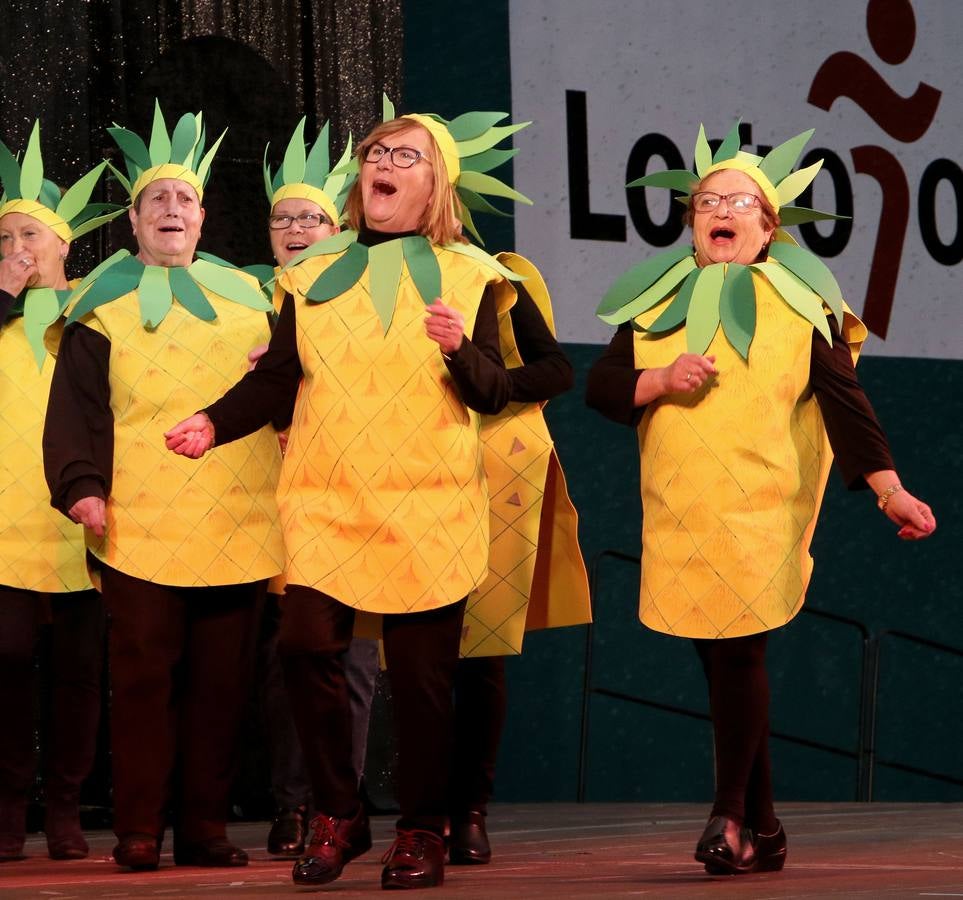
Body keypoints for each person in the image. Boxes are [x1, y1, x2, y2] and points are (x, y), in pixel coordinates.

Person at [165, 107, 532, 889]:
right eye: (375, 151)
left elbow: (515, 386)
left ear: (434, 181)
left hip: (428, 498)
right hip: (327, 493)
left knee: (424, 678)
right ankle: (340, 810)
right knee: (303, 647)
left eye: (404, 154)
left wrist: (459, 350)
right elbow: (277, 376)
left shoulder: (473, 275)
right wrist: (213, 420)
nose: (382, 163)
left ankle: (424, 827)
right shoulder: (310, 272)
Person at [586, 122, 935, 876]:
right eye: (706, 199)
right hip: (683, 507)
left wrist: (889, 492)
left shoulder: (803, 305)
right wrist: (657, 381)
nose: (721, 207)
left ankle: (726, 815)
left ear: (768, 226)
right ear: (690, 224)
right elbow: (603, 387)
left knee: (740, 650)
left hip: (763, 507)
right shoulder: (658, 299)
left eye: (739, 199)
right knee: (719, 665)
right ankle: (765, 827)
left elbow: (846, 405)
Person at [43, 102, 284, 871]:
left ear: (204, 217)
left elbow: (290, 388)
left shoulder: (255, 300)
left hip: (241, 515)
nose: (171, 211)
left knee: (221, 687)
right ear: (136, 223)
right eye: (157, 202)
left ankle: (205, 829)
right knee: (144, 681)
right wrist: (82, 486)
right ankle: (140, 829)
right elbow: (75, 411)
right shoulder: (99, 306)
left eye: (183, 200)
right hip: (140, 521)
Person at [256, 118, 381, 857]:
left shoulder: (358, 293)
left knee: (353, 662)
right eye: (284, 217)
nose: (297, 228)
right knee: (286, 665)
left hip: (351, 496)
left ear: (337, 227)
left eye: (312, 217)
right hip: (261, 506)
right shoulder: (241, 296)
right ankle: (291, 804)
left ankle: (341, 805)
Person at [0, 123, 121, 862]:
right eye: (5, 234)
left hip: (80, 514)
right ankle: (9, 808)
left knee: (80, 672)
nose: (17, 246)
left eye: (29, 234)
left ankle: (69, 808)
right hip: (4, 520)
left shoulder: (91, 310)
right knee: (7, 660)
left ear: (63, 246)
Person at [449, 252, 591, 864]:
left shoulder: (490, 276)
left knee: (480, 653)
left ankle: (468, 812)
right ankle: (410, 816)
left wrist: (499, 388)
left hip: (489, 472)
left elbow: (557, 370)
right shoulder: (363, 278)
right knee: (404, 654)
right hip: (397, 475)